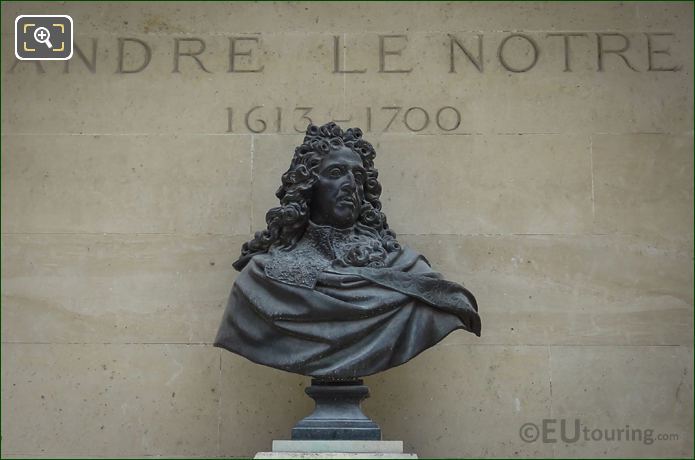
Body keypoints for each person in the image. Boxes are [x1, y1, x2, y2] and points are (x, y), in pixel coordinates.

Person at [214, 122, 481, 380]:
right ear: (308, 187)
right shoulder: (260, 280)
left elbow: (448, 302)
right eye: (335, 173)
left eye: (358, 176)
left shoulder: (407, 269)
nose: (351, 184)